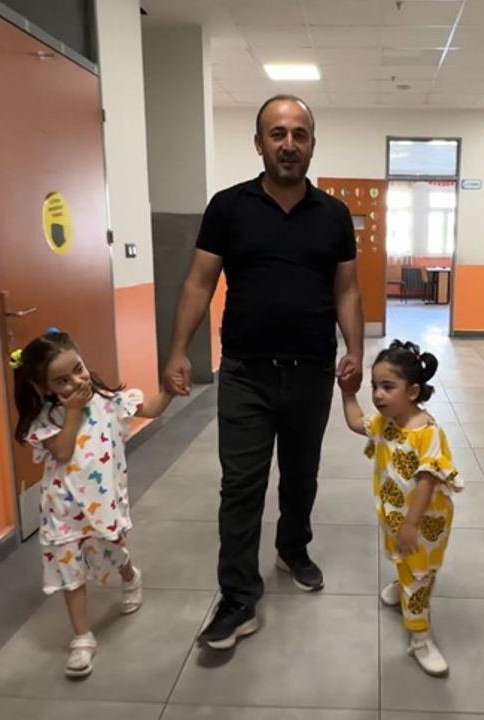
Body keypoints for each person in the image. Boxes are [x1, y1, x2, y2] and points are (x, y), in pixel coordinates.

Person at [161, 94, 364, 651]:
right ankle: (237, 598)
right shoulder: (228, 207)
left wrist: (355, 350)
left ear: (312, 144)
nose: (288, 144)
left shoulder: (333, 215)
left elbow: (347, 289)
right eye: (278, 133)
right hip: (245, 373)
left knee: (301, 476)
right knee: (241, 485)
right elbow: (199, 283)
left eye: (299, 134)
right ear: (259, 143)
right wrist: (177, 350)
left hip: (312, 372)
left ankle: (293, 549)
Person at [12, 328, 172, 679]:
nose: (76, 382)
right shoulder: (45, 421)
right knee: (70, 571)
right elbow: (63, 451)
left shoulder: (108, 401)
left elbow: (150, 408)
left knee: (110, 549)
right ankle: (82, 637)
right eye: (62, 381)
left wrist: (170, 391)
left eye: (78, 370)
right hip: (63, 510)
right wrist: (71, 412)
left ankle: (130, 576)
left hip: (102, 504)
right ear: (44, 388)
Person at [339, 340, 462, 677]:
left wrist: (411, 523)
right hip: (396, 516)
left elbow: (427, 480)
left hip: (423, 522)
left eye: (387, 387)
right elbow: (357, 423)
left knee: (419, 576)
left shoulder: (427, 432)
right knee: (406, 561)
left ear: (412, 391)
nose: (378, 395)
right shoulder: (386, 421)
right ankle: (401, 582)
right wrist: (347, 394)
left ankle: (420, 637)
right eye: (375, 386)